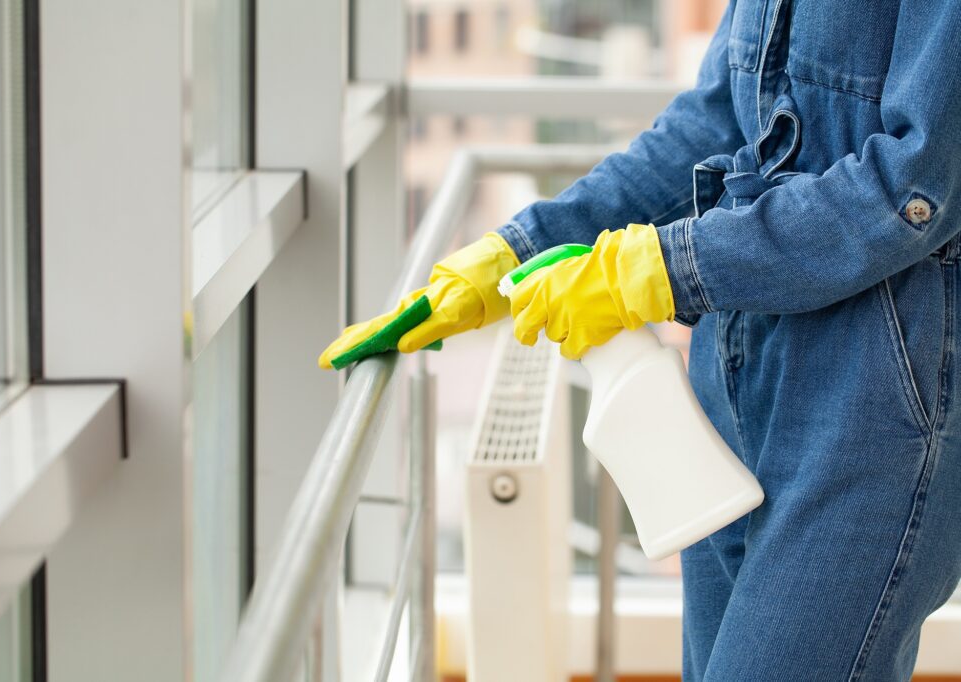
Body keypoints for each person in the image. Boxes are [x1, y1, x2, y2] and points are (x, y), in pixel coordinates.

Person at [320, 0, 961, 678]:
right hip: (736, 380)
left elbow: (915, 189)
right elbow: (715, 119)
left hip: (877, 405)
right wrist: (519, 249)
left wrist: (660, 268)